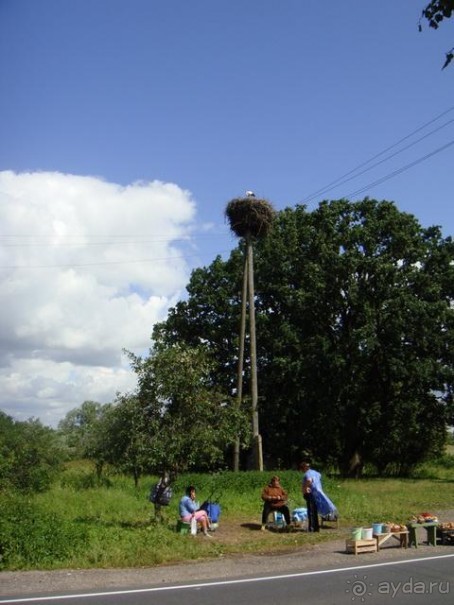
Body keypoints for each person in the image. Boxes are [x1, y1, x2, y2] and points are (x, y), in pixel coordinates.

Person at [300, 460, 321, 532]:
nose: (301, 471)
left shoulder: (307, 473)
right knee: (314, 511)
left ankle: (311, 528)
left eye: (302, 469)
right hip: (317, 493)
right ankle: (316, 528)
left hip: (310, 493)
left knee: (311, 511)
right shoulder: (315, 472)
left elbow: (309, 480)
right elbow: (319, 476)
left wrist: (305, 487)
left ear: (304, 468)